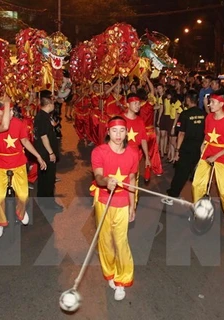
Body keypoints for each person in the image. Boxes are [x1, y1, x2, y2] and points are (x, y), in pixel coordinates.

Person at [91, 116, 138, 301]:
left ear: (126, 132)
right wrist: (105, 182)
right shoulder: (99, 152)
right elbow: (98, 176)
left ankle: (122, 280)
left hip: (122, 203)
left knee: (121, 241)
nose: (118, 135)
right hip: (103, 201)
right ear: (108, 132)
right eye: (114, 131)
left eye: (122, 131)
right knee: (105, 240)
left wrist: (133, 205)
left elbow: (132, 180)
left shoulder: (133, 153)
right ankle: (109, 273)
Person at [0, 96, 46, 238]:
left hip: (19, 162)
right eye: (9, 110)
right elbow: (5, 126)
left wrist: (38, 156)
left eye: (13, 109)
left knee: (24, 195)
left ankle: (20, 212)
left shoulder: (19, 123)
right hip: (1, 164)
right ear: (1, 112)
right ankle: (0, 222)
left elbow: (25, 140)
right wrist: (6, 103)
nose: (12, 112)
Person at [192, 90, 224, 228]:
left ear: (221, 104)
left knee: (223, 190)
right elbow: (207, 135)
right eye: (210, 101)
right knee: (196, 184)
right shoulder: (209, 118)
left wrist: (216, 156)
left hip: (222, 155)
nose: (209, 104)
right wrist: (202, 145)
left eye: (212, 102)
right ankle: (198, 210)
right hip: (207, 152)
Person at [167, 90, 205, 198]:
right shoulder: (203, 114)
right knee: (196, 171)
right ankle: (199, 195)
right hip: (199, 147)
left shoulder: (185, 114)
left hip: (186, 147)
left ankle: (174, 193)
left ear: (188, 100)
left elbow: (181, 134)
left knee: (181, 172)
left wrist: (177, 151)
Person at [33, 91, 62, 210]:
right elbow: (44, 137)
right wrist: (51, 152)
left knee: (43, 177)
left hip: (43, 152)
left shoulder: (42, 116)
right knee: (49, 179)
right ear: (49, 104)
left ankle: (42, 199)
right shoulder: (43, 118)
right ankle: (49, 203)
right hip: (46, 152)